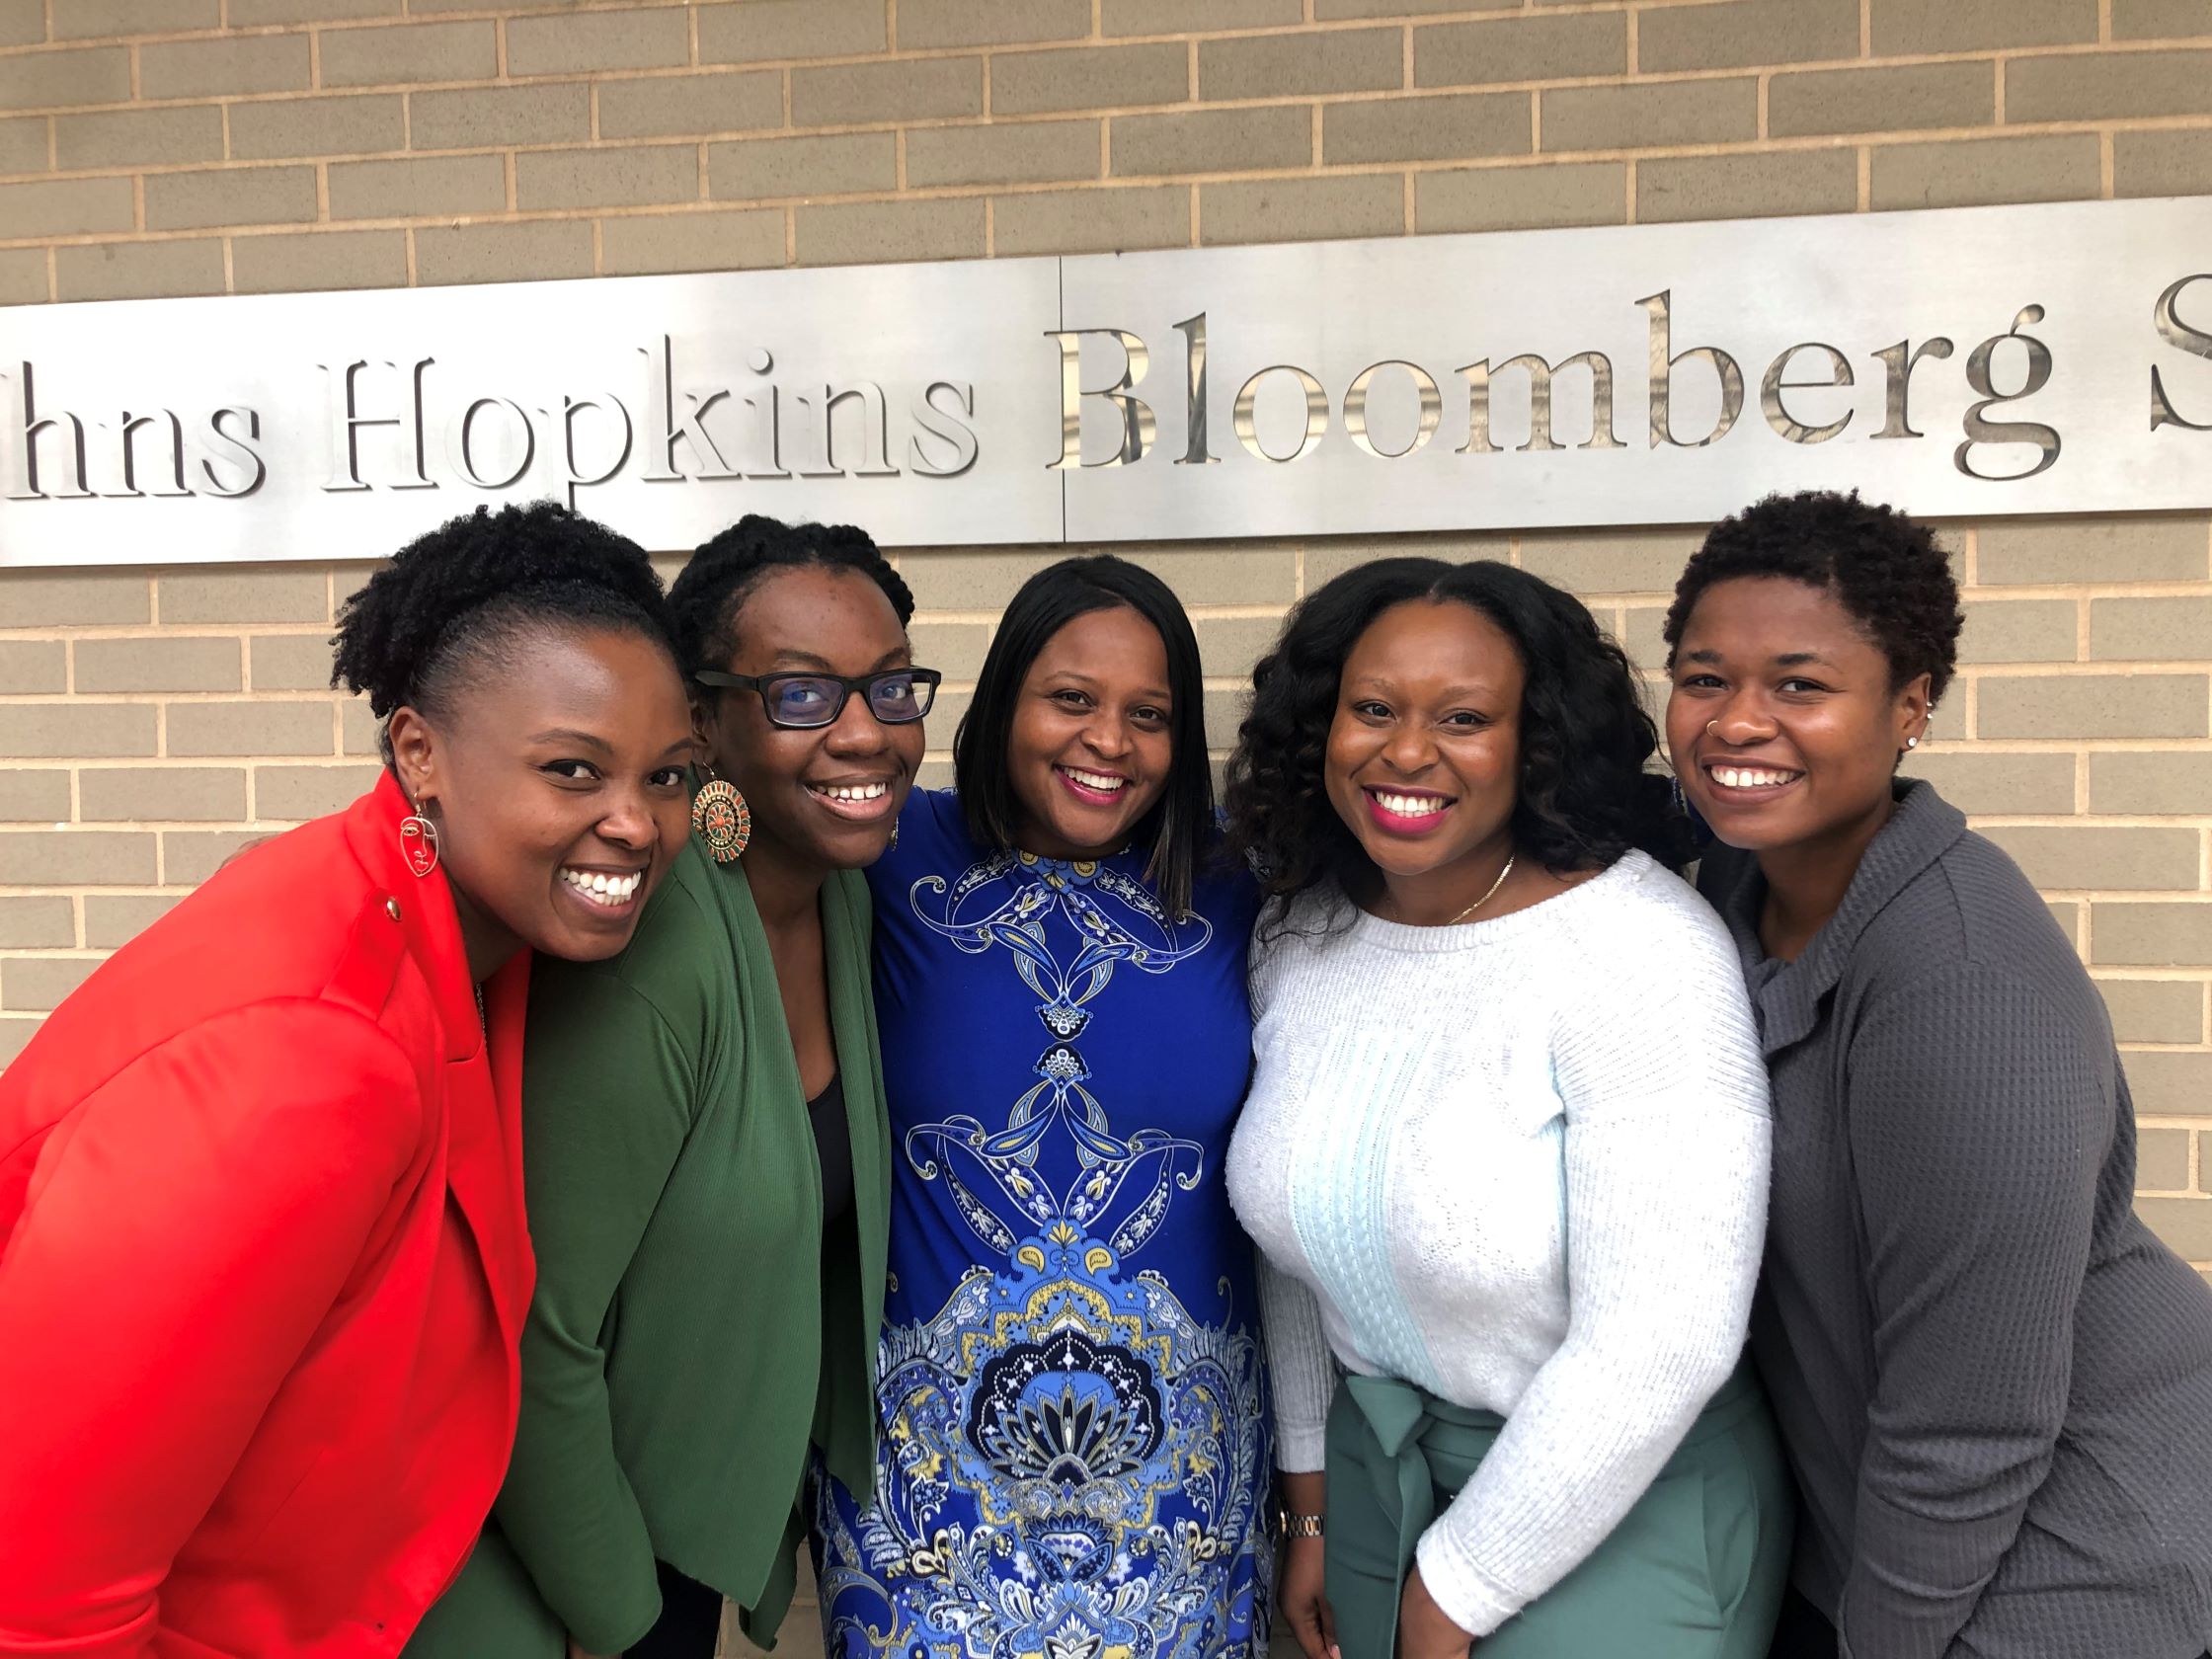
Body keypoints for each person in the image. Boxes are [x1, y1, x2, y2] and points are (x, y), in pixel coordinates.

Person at [0, 502, 696, 1656]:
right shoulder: (306, 1059)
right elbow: (37, 1591)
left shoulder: (444, 928)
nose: (634, 823)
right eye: (573, 770)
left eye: (668, 775)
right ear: (420, 752)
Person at [1663, 489, 2212, 1659]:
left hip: (2065, 1571)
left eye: (1799, 686)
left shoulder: (1961, 983)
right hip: (1877, 1549)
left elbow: (1970, 1423)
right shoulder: (1733, 892)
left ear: (1909, 706)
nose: (1735, 724)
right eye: (1703, 679)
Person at [1224, 557, 1792, 1659]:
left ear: (1533, 743)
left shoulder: (1638, 952)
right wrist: (1308, 1497)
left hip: (1626, 1496)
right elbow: (1290, 1243)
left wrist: (1451, 1594)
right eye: (1373, 709)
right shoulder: (1299, 937)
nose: (1405, 751)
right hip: (1379, 1476)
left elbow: (1662, 1344)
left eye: (1464, 718)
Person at [406, 515, 928, 1659]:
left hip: (661, 1546)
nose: (864, 735)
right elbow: (531, 1338)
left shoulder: (843, 895)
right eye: (800, 695)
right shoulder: (654, 941)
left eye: (893, 691)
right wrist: (622, 1622)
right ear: (705, 718)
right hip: (554, 1577)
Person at [812, 554, 1272, 1658]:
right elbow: (723, 809)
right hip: (924, 1487)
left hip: (1181, 1490)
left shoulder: (1238, 879)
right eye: (1070, 699)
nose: (1107, 740)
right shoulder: (886, 853)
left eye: (1148, 714)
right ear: (1003, 696)